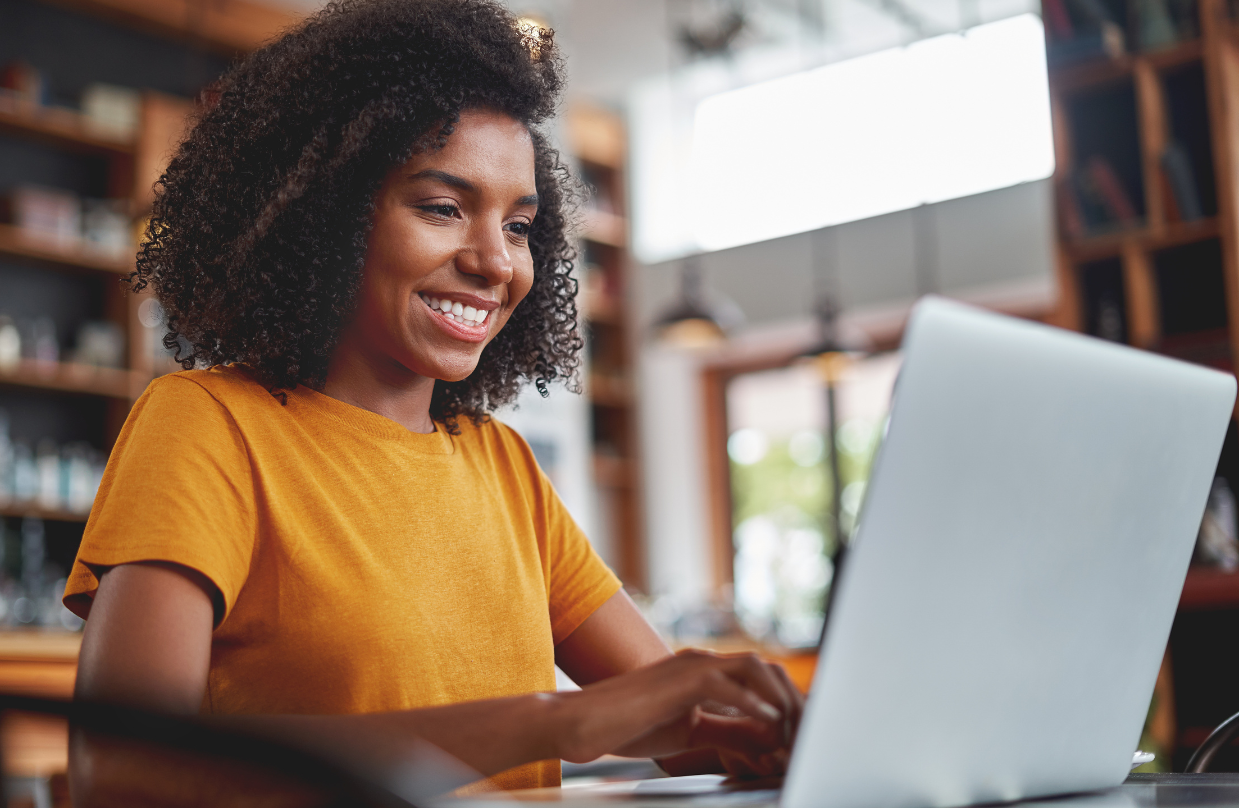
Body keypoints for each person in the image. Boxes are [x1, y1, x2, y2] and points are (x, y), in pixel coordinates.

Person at [63, 0, 802, 792]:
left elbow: (684, 729)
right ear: (326, 217)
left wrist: (767, 725)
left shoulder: (501, 466)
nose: (496, 263)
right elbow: (122, 773)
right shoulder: (208, 426)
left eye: (520, 226)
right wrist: (555, 721)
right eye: (444, 208)